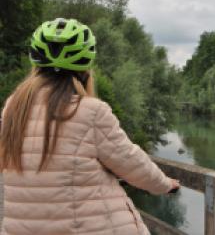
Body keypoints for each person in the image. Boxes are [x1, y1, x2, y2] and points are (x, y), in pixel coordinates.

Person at [0, 18, 180, 235]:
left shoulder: (13, 108)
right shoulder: (90, 111)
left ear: (36, 65)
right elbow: (130, 161)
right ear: (85, 69)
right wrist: (164, 184)